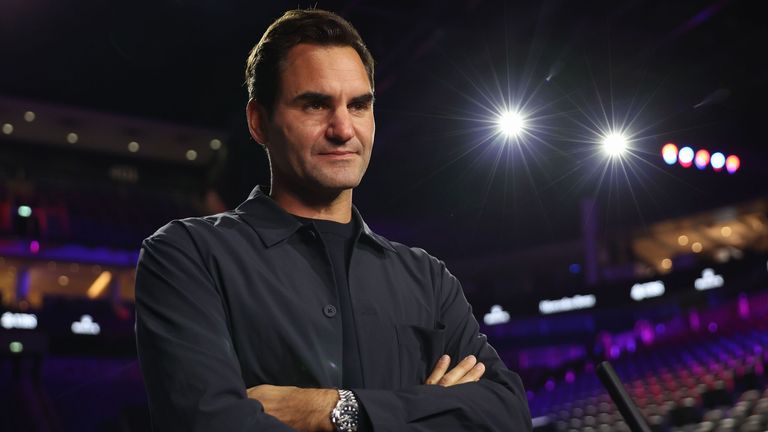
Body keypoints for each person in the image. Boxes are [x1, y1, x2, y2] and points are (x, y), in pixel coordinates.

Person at [135, 8, 532, 432]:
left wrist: (336, 410)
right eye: (315, 105)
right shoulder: (185, 255)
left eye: (359, 105)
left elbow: (506, 413)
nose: (343, 129)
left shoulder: (427, 277)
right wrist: (429, 407)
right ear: (259, 122)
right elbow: (210, 424)